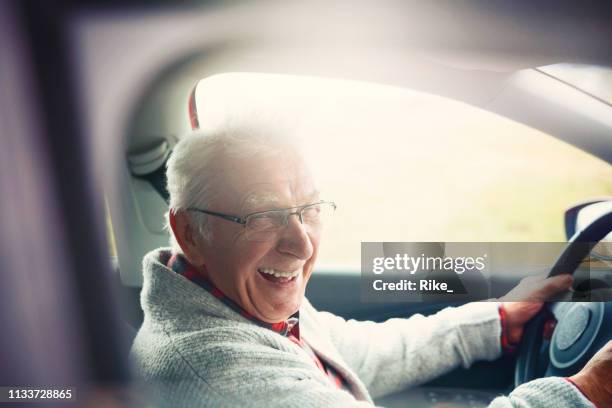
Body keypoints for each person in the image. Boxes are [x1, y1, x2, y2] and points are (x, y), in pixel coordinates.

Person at [130, 125, 611, 408]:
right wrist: (584, 390)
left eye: (309, 208)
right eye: (260, 215)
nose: (301, 245)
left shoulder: (232, 301)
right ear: (190, 232)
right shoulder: (216, 373)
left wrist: (496, 321)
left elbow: (358, 352)